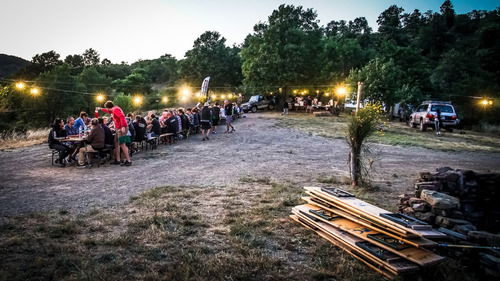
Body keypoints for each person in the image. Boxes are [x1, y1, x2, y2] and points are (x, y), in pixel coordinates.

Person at [97, 101, 132, 166]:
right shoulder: (114, 109)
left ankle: (128, 160)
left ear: (108, 107)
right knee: (116, 142)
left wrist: (123, 127)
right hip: (118, 129)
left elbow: (122, 117)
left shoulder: (115, 109)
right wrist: (100, 109)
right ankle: (118, 160)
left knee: (122, 144)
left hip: (121, 128)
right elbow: (108, 111)